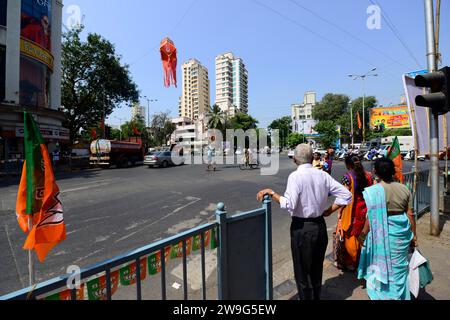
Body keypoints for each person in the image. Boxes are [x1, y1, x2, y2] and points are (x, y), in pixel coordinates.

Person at [257, 144, 352, 300]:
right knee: (316, 268)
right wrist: (329, 210)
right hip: (319, 226)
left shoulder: (296, 176)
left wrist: (272, 193)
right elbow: (346, 194)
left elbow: (289, 204)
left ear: (295, 159)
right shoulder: (322, 175)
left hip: (302, 228)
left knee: (302, 271)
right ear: (312, 158)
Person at [357, 158, 418, 300]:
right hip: (400, 234)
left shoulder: (373, 191)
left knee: (380, 265)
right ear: (393, 171)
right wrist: (414, 236)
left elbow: (371, 217)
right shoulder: (404, 189)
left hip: (379, 235)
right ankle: (398, 295)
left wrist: (363, 235)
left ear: (375, 172)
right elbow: (410, 214)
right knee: (399, 267)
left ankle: (382, 295)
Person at [334, 156, 374, 271]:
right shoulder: (369, 176)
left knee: (349, 235)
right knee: (362, 235)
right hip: (365, 210)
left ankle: (351, 263)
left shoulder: (347, 177)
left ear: (348, 165)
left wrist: (339, 211)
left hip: (351, 211)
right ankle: (362, 261)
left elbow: (343, 197)